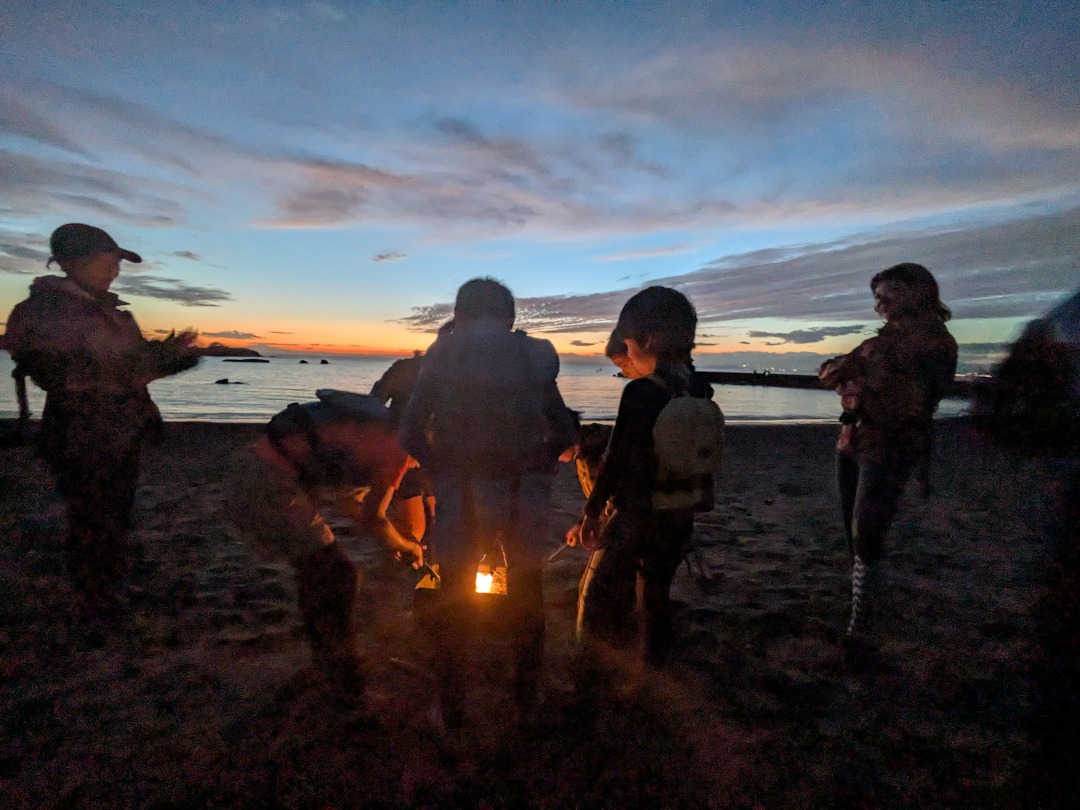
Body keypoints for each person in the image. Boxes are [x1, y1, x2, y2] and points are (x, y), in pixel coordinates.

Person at [400, 278, 575, 727]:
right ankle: (526, 700)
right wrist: (542, 461)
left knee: (454, 591)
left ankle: (452, 710)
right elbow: (563, 430)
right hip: (524, 492)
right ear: (511, 317)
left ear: (459, 316)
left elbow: (410, 431)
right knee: (526, 588)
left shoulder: (442, 354)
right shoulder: (534, 355)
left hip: (460, 491)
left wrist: (439, 467)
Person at [3, 224, 200, 620]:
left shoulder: (107, 312)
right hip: (83, 430)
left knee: (115, 512)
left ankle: (106, 587)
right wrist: (163, 361)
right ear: (69, 262)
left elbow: (128, 363)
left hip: (120, 428)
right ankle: (94, 600)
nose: (115, 271)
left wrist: (164, 356)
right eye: (106, 262)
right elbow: (79, 374)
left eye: (116, 263)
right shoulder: (45, 311)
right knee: (93, 516)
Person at [570, 287, 720, 669]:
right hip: (679, 512)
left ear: (647, 341)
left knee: (596, 592)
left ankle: (589, 669)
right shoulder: (699, 389)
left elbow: (616, 458)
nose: (627, 353)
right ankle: (652, 666)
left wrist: (592, 511)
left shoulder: (641, 392)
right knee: (655, 595)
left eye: (628, 344)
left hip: (636, 514)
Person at [234, 390, 425, 686]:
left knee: (319, 570)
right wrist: (405, 545)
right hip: (267, 483)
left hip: (251, 469)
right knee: (338, 574)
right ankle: (340, 668)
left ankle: (328, 661)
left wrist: (392, 540)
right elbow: (373, 517)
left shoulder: (376, 432)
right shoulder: (400, 449)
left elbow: (350, 503)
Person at [818, 262, 957, 642]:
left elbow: (918, 399)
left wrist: (859, 375)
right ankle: (863, 601)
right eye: (876, 296)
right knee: (853, 529)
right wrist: (852, 372)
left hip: (891, 445)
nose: (880, 302)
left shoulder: (936, 343)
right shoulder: (877, 343)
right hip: (852, 439)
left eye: (889, 292)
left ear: (919, 292)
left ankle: (862, 621)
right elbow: (828, 373)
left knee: (868, 529)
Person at [370, 350, 434, 544]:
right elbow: (372, 406)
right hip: (406, 459)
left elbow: (373, 404)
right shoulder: (406, 369)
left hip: (435, 462)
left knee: (432, 525)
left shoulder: (405, 368)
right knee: (413, 532)